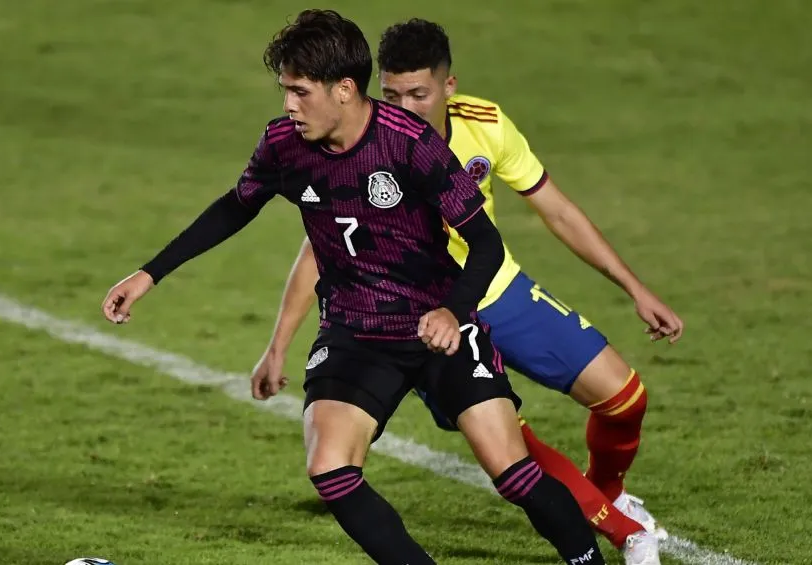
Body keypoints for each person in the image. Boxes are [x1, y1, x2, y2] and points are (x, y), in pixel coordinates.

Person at [102, 10, 605, 565]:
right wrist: (149, 273)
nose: (288, 105)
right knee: (331, 470)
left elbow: (484, 243)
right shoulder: (283, 146)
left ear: (344, 89)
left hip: (435, 325)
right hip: (355, 331)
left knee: (513, 473)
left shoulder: (411, 144)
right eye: (284, 91)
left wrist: (452, 311)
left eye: (300, 91)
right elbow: (233, 208)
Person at [251, 18, 684, 565]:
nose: (405, 107)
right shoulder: (362, 141)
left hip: (497, 291)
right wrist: (279, 344)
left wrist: (634, 287)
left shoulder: (485, 125)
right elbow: (319, 251)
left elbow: (556, 209)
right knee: (510, 449)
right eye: (391, 94)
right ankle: (625, 533)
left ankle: (606, 494)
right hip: (425, 312)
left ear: (448, 88)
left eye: (419, 94)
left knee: (624, 398)